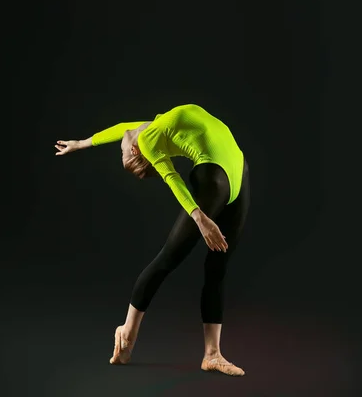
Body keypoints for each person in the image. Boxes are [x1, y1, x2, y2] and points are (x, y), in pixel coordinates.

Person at [55, 104, 250, 376]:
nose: (122, 147)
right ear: (137, 151)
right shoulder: (148, 138)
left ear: (132, 149)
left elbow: (122, 127)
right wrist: (200, 218)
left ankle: (213, 355)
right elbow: (171, 177)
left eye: (122, 152)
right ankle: (128, 332)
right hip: (214, 179)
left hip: (239, 173)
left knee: (217, 269)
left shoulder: (151, 127)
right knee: (169, 258)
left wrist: (82, 143)